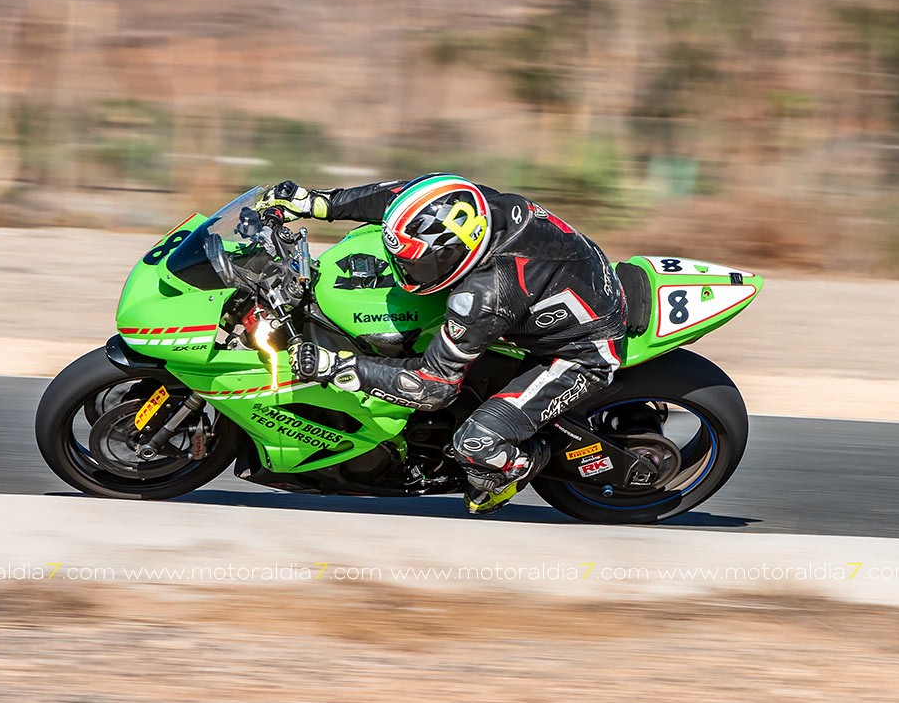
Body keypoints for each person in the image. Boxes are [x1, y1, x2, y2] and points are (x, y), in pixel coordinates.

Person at [254, 174, 625, 514]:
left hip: (580, 353)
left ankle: (517, 465)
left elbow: (434, 387)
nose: (405, 270)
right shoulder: (471, 205)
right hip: (569, 281)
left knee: (476, 443)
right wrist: (315, 202)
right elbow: (394, 197)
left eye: (417, 263)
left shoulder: (485, 297)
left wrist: (337, 367)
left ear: (452, 252)